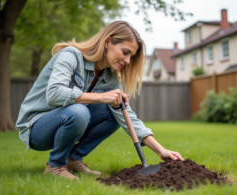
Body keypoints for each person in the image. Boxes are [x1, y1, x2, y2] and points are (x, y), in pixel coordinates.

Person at [16, 21, 183, 180]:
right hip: (36, 128)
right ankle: (55, 166)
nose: (128, 61)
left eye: (131, 56)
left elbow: (128, 117)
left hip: (66, 120)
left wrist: (160, 150)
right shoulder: (70, 55)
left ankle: (72, 159)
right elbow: (54, 94)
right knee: (79, 111)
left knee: (116, 112)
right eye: (125, 52)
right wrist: (101, 97)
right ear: (108, 42)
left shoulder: (110, 78)